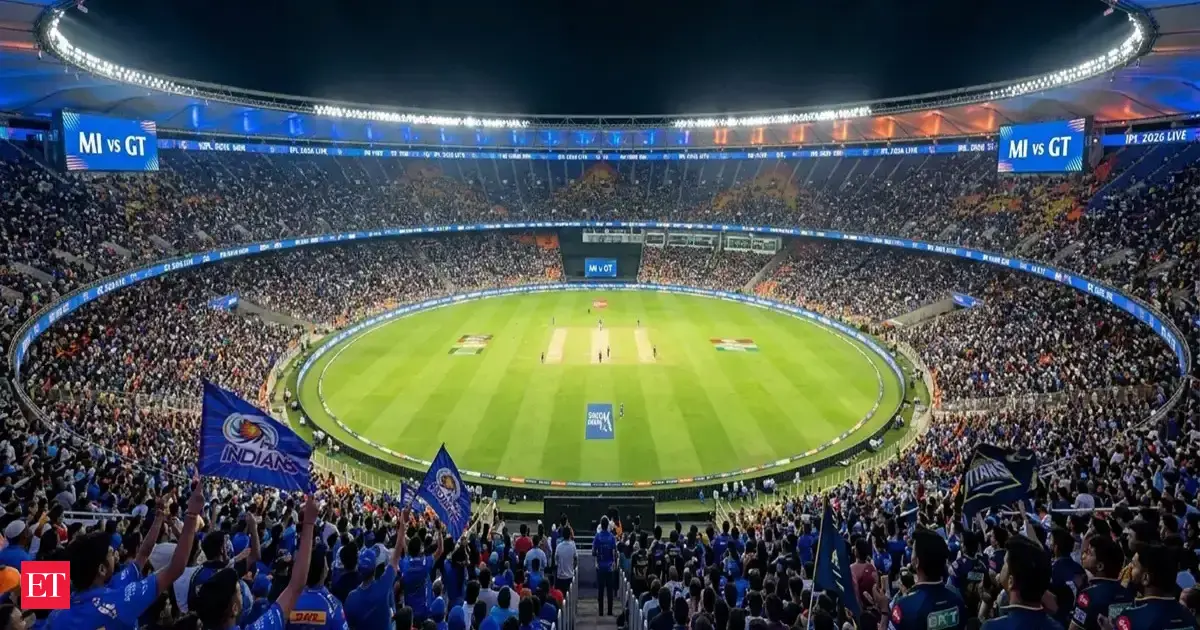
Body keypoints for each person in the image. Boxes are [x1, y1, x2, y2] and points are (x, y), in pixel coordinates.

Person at [50, 479, 204, 630]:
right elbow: (176, 568)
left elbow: (143, 554)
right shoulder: (120, 601)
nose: (115, 552)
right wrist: (192, 515)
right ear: (101, 569)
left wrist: (159, 516)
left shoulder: (56, 610)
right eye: (110, 552)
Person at [192, 495, 318, 630]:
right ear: (234, 609)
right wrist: (309, 524)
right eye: (239, 590)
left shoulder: (197, 576)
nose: (243, 590)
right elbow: (295, 587)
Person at [879, 528, 966, 630]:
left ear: (917, 562)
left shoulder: (904, 607)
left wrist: (884, 610)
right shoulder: (958, 599)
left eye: (913, 550)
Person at [1110, 542, 1200, 630]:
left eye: (1133, 565)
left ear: (1146, 578)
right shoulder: (1189, 617)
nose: (1128, 569)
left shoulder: (1131, 618)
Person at [345, 510, 407, 630]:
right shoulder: (383, 585)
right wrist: (402, 523)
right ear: (375, 568)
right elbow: (398, 550)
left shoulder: (351, 598)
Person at [982, 535, 1058, 629]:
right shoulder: (1057, 627)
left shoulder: (991, 627)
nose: (1002, 568)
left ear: (1011, 582)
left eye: (1005, 563)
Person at [1070, 534, 1134, 630]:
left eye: (1089, 553)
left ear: (1100, 566)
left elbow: (1074, 628)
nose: (1084, 555)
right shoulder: (1128, 593)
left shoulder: (1088, 595)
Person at [402, 521, 446, 622]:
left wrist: (402, 530)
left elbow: (404, 547)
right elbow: (440, 550)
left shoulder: (405, 563)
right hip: (424, 612)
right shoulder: (425, 563)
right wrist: (439, 531)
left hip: (409, 613)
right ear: (420, 549)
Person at [593, 517, 617, 616]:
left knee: (601, 590)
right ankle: (610, 611)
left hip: (600, 567)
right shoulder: (612, 537)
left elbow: (593, 552)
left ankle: (601, 611)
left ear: (601, 525)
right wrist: (614, 563)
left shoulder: (597, 537)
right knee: (610, 591)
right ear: (607, 525)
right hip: (610, 567)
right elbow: (615, 552)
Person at [554, 526, 576, 594]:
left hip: (560, 577)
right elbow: (575, 559)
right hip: (569, 576)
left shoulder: (558, 546)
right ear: (570, 535)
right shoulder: (573, 546)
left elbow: (556, 561)